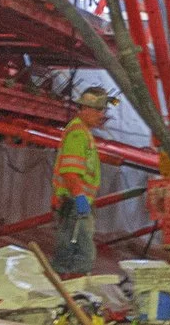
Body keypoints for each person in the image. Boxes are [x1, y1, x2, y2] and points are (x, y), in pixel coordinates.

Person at [51, 86, 118, 276]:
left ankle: (65, 288)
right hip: (76, 202)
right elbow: (71, 172)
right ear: (85, 109)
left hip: (74, 201)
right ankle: (71, 291)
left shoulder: (81, 132)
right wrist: (81, 200)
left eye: (103, 110)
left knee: (70, 251)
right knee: (82, 254)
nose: (102, 114)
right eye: (98, 110)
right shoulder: (78, 134)